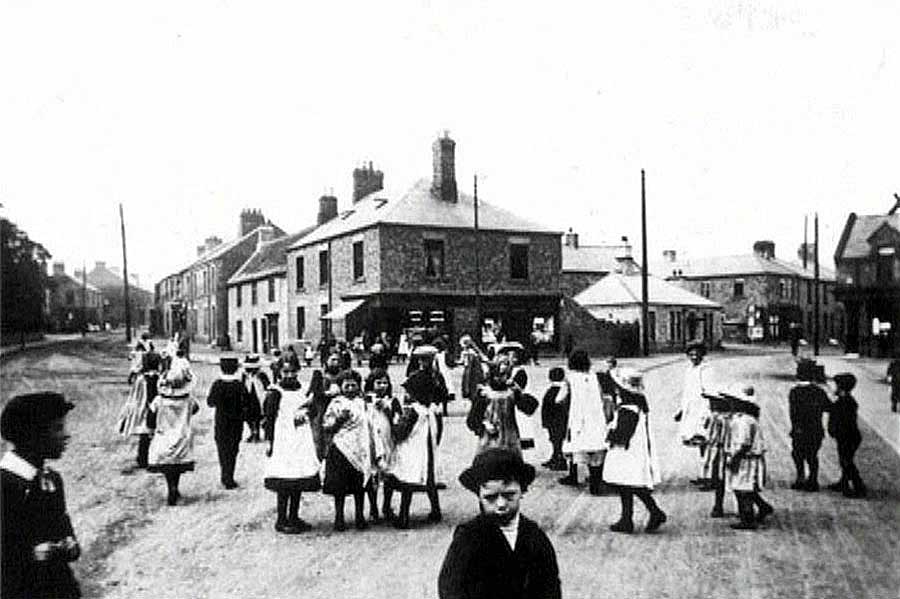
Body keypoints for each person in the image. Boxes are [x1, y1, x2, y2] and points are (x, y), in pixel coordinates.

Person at [438, 448, 561, 599]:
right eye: (491, 498)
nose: (501, 504)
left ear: (522, 491)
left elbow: (550, 587)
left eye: (509, 495)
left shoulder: (534, 537)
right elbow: (451, 588)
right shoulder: (469, 537)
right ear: (479, 496)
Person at [1, 392, 81, 599]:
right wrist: (30, 554)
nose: (66, 435)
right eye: (57, 428)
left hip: (57, 586)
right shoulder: (6, 484)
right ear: (32, 435)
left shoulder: (51, 479)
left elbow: (61, 520)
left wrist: (70, 543)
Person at [604, 368, 666, 533]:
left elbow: (623, 433)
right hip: (635, 449)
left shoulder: (628, 409)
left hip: (628, 451)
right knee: (627, 484)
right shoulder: (637, 403)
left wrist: (609, 436)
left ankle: (652, 512)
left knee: (629, 484)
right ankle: (628, 518)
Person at [389, 347, 445, 529]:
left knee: (407, 482)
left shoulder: (412, 411)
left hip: (412, 451)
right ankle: (436, 510)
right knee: (429, 481)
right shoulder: (430, 411)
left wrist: (392, 422)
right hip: (427, 450)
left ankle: (404, 517)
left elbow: (400, 432)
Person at [263, 361, 322, 533]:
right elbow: (269, 418)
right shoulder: (275, 392)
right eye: (286, 372)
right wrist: (269, 441)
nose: (289, 375)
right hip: (283, 439)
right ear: (280, 372)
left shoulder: (304, 389)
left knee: (298, 477)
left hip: (300, 438)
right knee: (284, 478)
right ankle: (281, 519)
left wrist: (307, 412)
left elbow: (313, 410)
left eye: (293, 371)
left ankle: (294, 516)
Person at [322, 369, 372, 531]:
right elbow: (327, 426)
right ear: (341, 387)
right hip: (341, 449)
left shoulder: (362, 402)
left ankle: (359, 516)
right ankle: (339, 517)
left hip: (359, 448)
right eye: (347, 386)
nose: (350, 389)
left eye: (353, 385)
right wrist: (339, 420)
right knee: (340, 487)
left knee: (359, 485)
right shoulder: (336, 403)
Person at [148, 349, 197, 505]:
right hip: (181, 434)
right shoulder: (188, 400)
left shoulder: (160, 400)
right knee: (178, 463)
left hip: (164, 434)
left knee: (167, 464)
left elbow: (150, 416)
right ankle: (175, 486)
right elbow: (196, 409)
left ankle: (171, 487)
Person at [722, 384, 773, 530]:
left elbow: (744, 444)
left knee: (743, 489)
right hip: (745, 458)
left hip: (745, 459)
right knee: (745, 487)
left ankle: (748, 519)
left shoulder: (744, 421)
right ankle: (762, 507)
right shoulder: (744, 418)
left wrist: (734, 459)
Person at [560, 349, 609, 495]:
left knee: (581, 447)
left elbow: (559, 398)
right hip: (596, 417)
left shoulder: (570, 378)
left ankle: (577, 476)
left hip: (578, 417)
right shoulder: (594, 377)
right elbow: (601, 396)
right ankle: (596, 483)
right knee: (597, 448)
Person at [363, 368, 401, 522]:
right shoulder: (365, 400)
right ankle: (373, 507)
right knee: (372, 474)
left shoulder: (392, 401)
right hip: (371, 439)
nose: (382, 386)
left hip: (387, 439)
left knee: (388, 473)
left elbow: (398, 420)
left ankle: (387, 505)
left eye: (385, 383)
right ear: (371, 384)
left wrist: (388, 410)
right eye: (378, 383)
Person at [117, 342, 163, 470]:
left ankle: (143, 458)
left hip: (143, 409)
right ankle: (152, 459)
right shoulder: (159, 379)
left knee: (145, 435)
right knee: (154, 434)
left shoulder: (141, 379)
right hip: (154, 409)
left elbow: (135, 396)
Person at [674, 341, 712, 487]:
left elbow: (709, 391)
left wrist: (707, 412)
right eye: (691, 354)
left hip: (702, 409)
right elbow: (687, 392)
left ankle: (709, 477)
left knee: (706, 442)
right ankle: (703, 474)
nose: (694, 357)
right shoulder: (689, 370)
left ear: (702, 354)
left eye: (697, 354)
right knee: (699, 443)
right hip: (692, 410)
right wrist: (682, 410)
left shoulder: (706, 370)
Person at [469, 359, 525, 456]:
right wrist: (484, 424)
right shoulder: (484, 393)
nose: (500, 379)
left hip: (509, 432)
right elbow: (474, 417)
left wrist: (519, 391)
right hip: (489, 433)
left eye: (504, 376)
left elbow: (528, 407)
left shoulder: (512, 392)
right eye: (497, 376)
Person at [788, 366, 831, 491]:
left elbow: (793, 412)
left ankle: (800, 478)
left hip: (800, 429)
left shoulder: (795, 392)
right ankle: (813, 480)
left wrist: (796, 427)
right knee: (812, 455)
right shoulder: (819, 391)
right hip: (815, 429)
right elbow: (828, 407)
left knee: (797, 454)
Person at [206, 356, 245, 489]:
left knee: (222, 448)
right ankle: (230, 476)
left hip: (221, 421)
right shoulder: (239, 385)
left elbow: (210, 402)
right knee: (233, 449)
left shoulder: (217, 384)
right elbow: (245, 403)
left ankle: (224, 474)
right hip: (236, 422)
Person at [827, 373, 866, 498]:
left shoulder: (845, 402)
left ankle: (859, 487)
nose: (833, 388)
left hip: (848, 437)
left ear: (841, 387)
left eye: (835, 386)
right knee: (844, 460)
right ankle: (843, 482)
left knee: (847, 462)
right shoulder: (846, 400)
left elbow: (841, 419)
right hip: (848, 436)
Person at [703, 389, 733, 518]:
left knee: (720, 480)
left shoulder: (717, 418)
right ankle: (718, 505)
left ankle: (718, 506)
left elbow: (710, 434)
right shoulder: (731, 417)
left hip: (720, 451)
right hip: (725, 450)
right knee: (726, 479)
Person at [508, 350, 539, 453]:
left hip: (520, 399)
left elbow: (520, 386)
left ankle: (525, 441)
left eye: (511, 357)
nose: (509, 359)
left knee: (522, 421)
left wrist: (511, 384)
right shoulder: (514, 370)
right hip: (517, 399)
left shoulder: (520, 371)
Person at [540, 367, 570, 471]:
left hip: (553, 420)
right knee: (557, 440)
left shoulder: (553, 390)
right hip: (560, 420)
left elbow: (547, 407)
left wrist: (545, 421)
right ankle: (555, 457)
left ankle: (559, 460)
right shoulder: (564, 390)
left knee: (555, 441)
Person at [242, 354, 269, 442]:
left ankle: (256, 433)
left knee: (257, 416)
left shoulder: (261, 375)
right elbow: (242, 386)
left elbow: (267, 386)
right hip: (248, 398)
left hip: (258, 398)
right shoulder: (244, 375)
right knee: (247, 416)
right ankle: (252, 431)